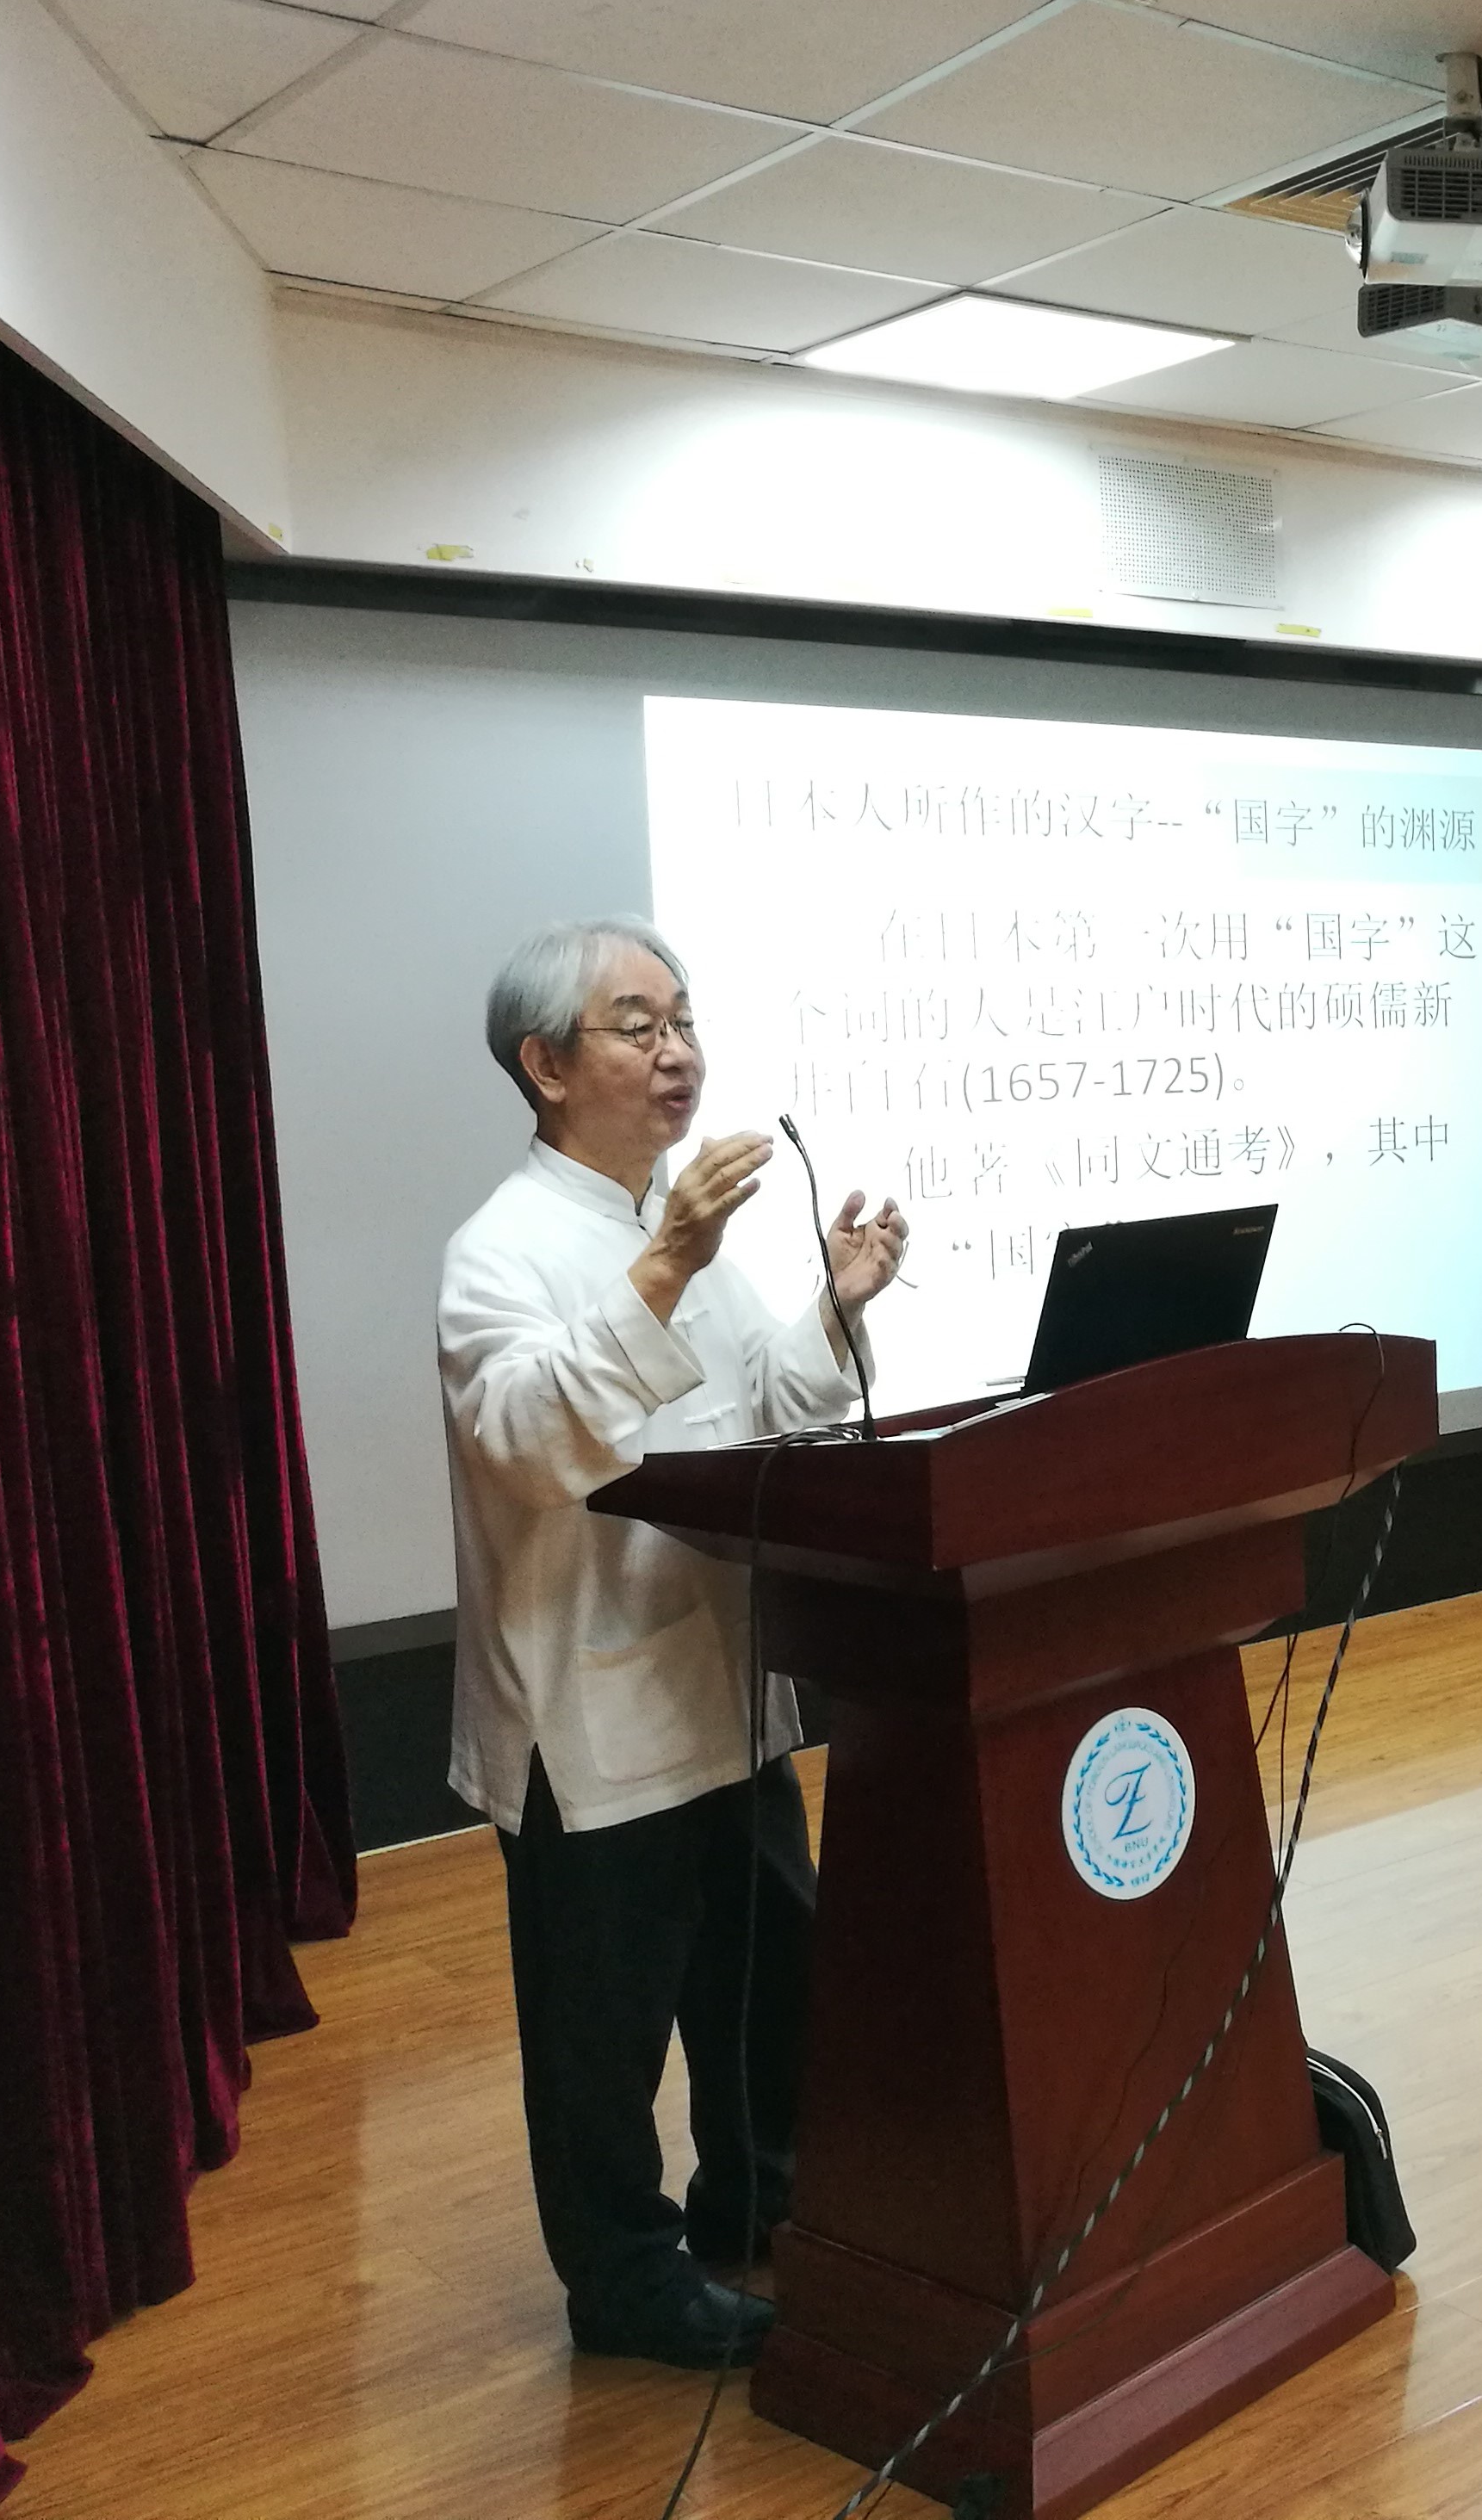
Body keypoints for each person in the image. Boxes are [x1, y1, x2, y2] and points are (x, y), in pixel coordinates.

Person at [437, 915, 906, 2368]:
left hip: (724, 1682)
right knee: (604, 2029)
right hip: (591, 1720)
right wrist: (664, 1268)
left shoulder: (680, 1231)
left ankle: (755, 2202)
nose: (679, 1051)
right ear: (546, 1065)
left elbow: (774, 1402)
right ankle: (626, 2286)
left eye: (685, 1019)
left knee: (766, 1983)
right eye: (638, 1026)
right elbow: (527, 1443)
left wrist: (835, 1305)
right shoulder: (500, 1251)